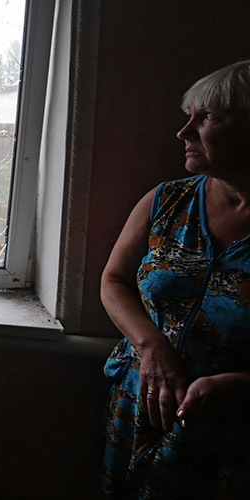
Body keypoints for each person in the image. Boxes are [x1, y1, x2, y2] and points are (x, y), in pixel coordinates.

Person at [101, 60, 250, 498]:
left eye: (206, 118)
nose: (183, 132)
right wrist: (152, 348)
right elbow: (114, 280)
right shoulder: (166, 201)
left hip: (231, 436)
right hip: (137, 408)